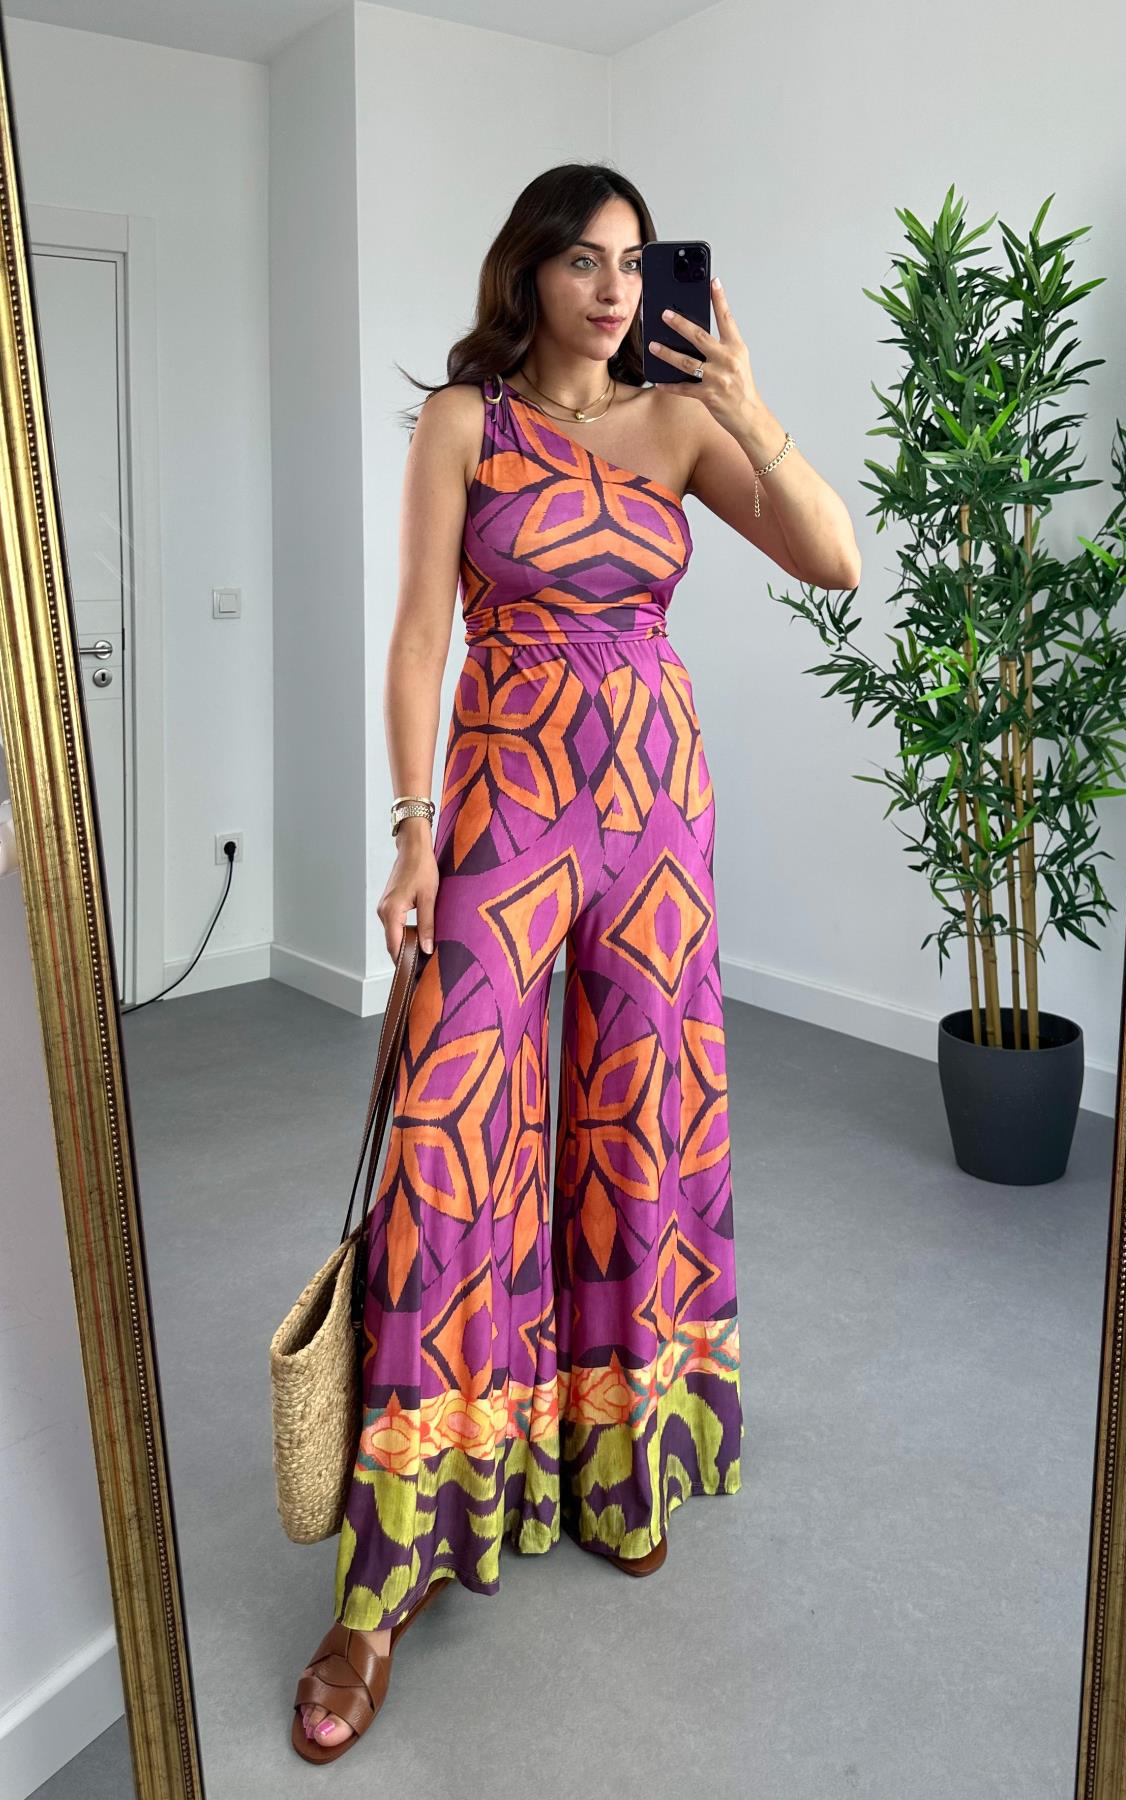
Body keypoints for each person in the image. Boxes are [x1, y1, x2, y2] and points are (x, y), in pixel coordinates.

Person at [292, 161, 862, 1763]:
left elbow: (837, 562)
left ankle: (619, 1458)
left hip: (655, 815)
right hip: (506, 802)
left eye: (635, 262)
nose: (616, 290)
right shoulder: (464, 423)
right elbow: (420, 632)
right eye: (586, 261)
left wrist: (749, 407)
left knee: (639, 1131)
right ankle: (388, 1572)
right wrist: (413, 828)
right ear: (530, 272)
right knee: (450, 1141)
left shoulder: (681, 423)